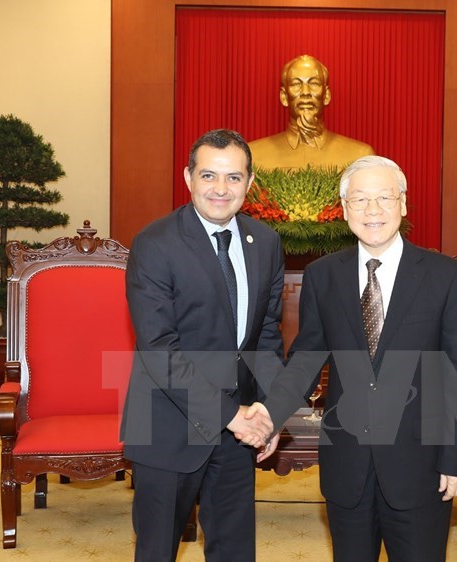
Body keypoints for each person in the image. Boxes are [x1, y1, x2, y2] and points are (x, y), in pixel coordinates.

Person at [247, 155, 457, 561]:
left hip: (420, 465)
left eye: (384, 198)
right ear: (344, 210)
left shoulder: (446, 277)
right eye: (360, 200)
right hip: (347, 464)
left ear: (403, 204)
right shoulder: (323, 275)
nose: (373, 210)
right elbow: (305, 359)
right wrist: (270, 415)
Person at [120, 129, 281, 562]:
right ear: (188, 177)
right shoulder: (155, 244)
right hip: (169, 426)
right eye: (208, 175)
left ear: (249, 183)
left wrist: (269, 411)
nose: (220, 188)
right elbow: (159, 349)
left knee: (234, 550)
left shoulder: (265, 243)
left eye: (233, 177)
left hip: (240, 431)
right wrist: (232, 418)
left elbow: (266, 335)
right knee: (157, 550)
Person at [248, 54, 375, 170]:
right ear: (284, 97)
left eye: (314, 83)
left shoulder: (359, 156)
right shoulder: (254, 155)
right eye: (296, 84)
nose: (305, 92)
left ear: (326, 96)